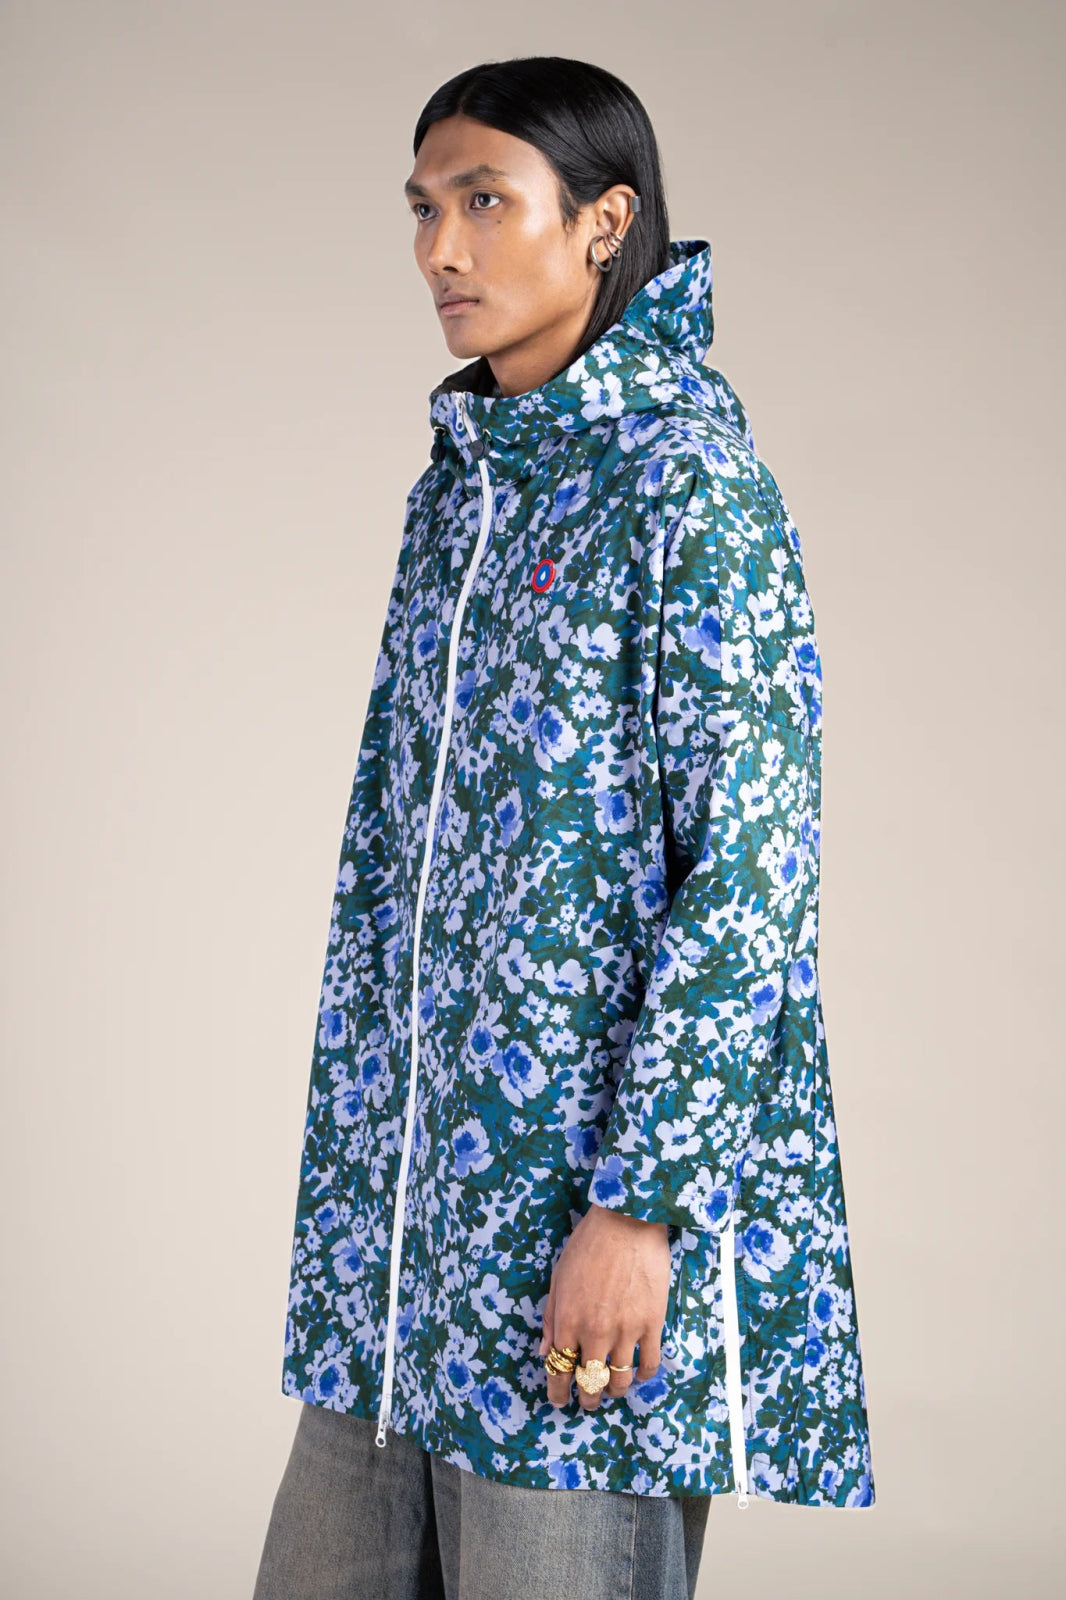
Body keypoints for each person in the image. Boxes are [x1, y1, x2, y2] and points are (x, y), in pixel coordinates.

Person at [253, 53, 875, 1600]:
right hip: (399, 1270)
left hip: (577, 1258)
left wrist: (635, 1211)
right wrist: (372, 1220)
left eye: (484, 202)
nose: (440, 249)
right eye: (422, 209)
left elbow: (749, 875)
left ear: (604, 221)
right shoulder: (462, 494)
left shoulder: (688, 487)